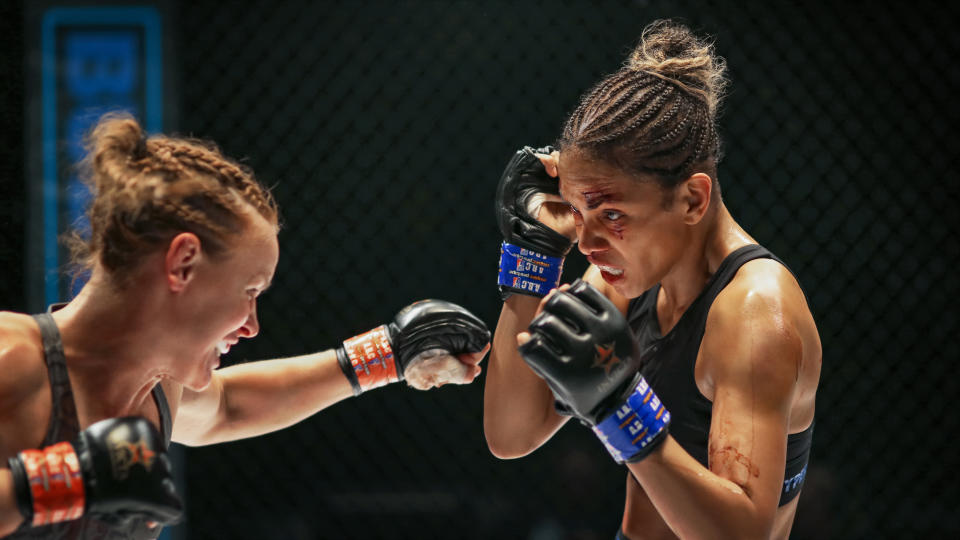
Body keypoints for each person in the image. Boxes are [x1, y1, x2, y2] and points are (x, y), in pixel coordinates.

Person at [0, 113, 490, 539]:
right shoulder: (12, 358)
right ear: (184, 263)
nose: (252, 326)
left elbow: (229, 406)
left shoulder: (159, 390)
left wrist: (386, 353)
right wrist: (53, 482)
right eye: (249, 292)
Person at [484, 20, 821, 539]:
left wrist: (618, 410)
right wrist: (533, 258)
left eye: (612, 213)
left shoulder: (754, 314)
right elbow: (511, 434)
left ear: (692, 199)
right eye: (576, 211)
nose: (588, 243)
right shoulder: (625, 279)